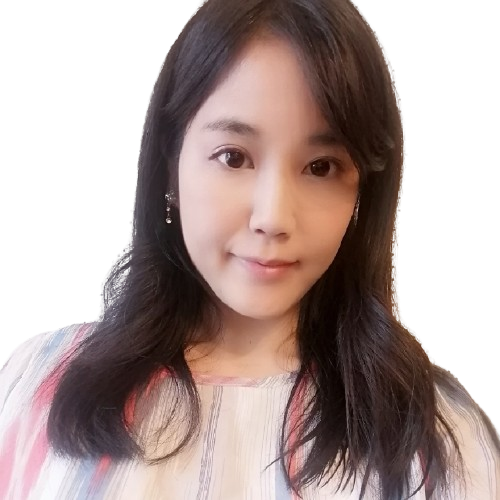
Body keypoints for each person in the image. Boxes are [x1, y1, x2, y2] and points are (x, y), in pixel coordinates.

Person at [1, 0, 498, 498]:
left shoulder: (440, 437)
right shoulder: (36, 379)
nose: (273, 218)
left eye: (321, 167)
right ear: (171, 164)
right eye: (233, 157)